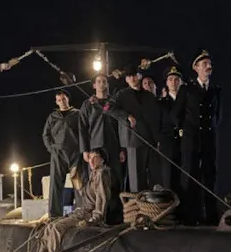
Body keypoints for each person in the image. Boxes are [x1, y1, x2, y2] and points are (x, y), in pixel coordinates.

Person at [30, 148, 121, 252]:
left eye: (96, 158)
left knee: (57, 228)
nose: (92, 162)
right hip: (82, 210)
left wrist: (94, 219)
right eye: (90, 158)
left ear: (102, 160)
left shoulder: (102, 174)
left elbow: (102, 198)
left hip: (88, 214)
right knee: (50, 226)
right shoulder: (94, 174)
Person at [172, 50, 223, 225]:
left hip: (208, 138)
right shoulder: (187, 90)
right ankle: (190, 216)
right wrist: (183, 132)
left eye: (209, 64)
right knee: (190, 176)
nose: (208, 67)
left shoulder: (216, 91)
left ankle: (211, 216)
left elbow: (218, 115)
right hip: (191, 139)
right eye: (204, 64)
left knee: (210, 175)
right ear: (196, 68)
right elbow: (176, 114)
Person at [103, 64, 162, 192]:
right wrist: (126, 116)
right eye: (129, 77)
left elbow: (156, 119)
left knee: (155, 177)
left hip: (150, 141)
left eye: (134, 75)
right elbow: (107, 108)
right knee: (136, 179)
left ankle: (155, 207)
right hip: (133, 140)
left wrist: (157, 139)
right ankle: (137, 208)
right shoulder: (121, 94)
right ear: (126, 80)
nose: (133, 78)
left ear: (139, 76)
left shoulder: (149, 96)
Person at [78, 73, 126, 189]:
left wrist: (122, 149)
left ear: (107, 84)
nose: (101, 84)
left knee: (116, 179)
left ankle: (116, 206)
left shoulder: (114, 103)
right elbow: (82, 127)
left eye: (104, 81)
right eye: (98, 81)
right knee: (97, 181)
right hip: (95, 147)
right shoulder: (87, 104)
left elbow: (121, 126)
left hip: (114, 146)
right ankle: (99, 206)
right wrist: (85, 150)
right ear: (94, 85)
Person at [42, 89, 82, 218]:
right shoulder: (53, 116)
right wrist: (51, 148)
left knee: (78, 183)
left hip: (75, 153)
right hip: (58, 154)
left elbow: (84, 132)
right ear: (56, 102)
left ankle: (81, 211)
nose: (62, 102)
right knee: (56, 184)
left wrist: (82, 150)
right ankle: (54, 214)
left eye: (63, 99)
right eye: (59, 100)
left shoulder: (77, 114)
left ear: (68, 99)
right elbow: (45, 134)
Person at [158, 65, 183, 191]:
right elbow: (158, 125)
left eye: (177, 79)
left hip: (184, 145)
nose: (174, 82)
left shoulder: (188, 102)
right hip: (167, 145)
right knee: (168, 180)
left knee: (184, 180)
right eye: (171, 79)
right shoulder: (161, 103)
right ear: (167, 83)